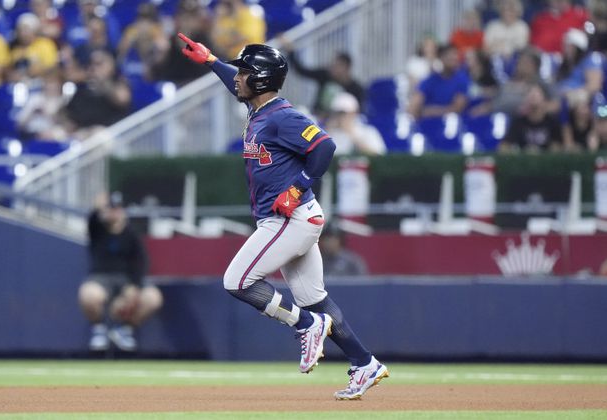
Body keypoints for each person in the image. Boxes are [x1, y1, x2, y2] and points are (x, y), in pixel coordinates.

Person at [177, 32, 388, 400]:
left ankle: (305, 325)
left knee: (237, 280)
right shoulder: (259, 109)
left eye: (244, 72)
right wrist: (212, 60)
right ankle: (364, 363)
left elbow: (324, 145)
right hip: (293, 219)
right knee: (316, 299)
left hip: (289, 218)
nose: (238, 77)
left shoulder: (282, 116)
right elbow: (234, 82)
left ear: (260, 79)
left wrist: (300, 184)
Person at [78, 192, 163, 352]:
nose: (114, 212)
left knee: (153, 297)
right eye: (111, 208)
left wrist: (134, 286)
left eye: (117, 208)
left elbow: (141, 261)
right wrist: (98, 207)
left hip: (126, 279)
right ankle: (99, 330)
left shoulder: (132, 233)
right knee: (89, 295)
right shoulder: (97, 229)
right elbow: (92, 218)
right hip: (101, 278)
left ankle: (124, 330)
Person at [281, 38, 365, 119]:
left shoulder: (356, 89)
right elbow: (302, 70)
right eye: (333, 64)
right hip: (317, 118)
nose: (333, 67)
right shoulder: (325, 75)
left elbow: (357, 112)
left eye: (337, 65)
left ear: (346, 68)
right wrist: (291, 52)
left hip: (338, 125)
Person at [499, 83, 563, 153]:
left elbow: (558, 147)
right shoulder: (518, 121)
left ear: (544, 99)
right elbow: (504, 146)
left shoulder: (552, 121)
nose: (533, 96)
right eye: (530, 94)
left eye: (537, 94)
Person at [323, 91, 387, 156]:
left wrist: (352, 135)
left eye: (344, 113)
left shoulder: (368, 131)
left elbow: (379, 157)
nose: (340, 117)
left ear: (354, 113)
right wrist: (327, 132)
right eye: (337, 113)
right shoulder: (329, 134)